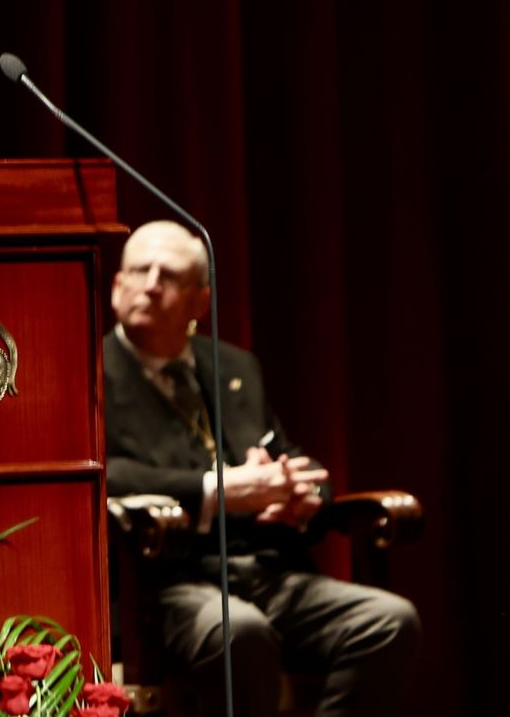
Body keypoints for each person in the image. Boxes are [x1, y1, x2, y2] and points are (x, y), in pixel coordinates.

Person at [103, 220, 419, 717]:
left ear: (200, 301)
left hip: (267, 571)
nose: (152, 284)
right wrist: (217, 490)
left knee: (389, 620)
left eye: (170, 276)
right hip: (167, 583)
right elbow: (108, 474)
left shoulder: (233, 367)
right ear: (117, 287)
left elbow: (285, 451)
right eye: (141, 270)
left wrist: (304, 493)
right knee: (241, 632)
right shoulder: (92, 369)